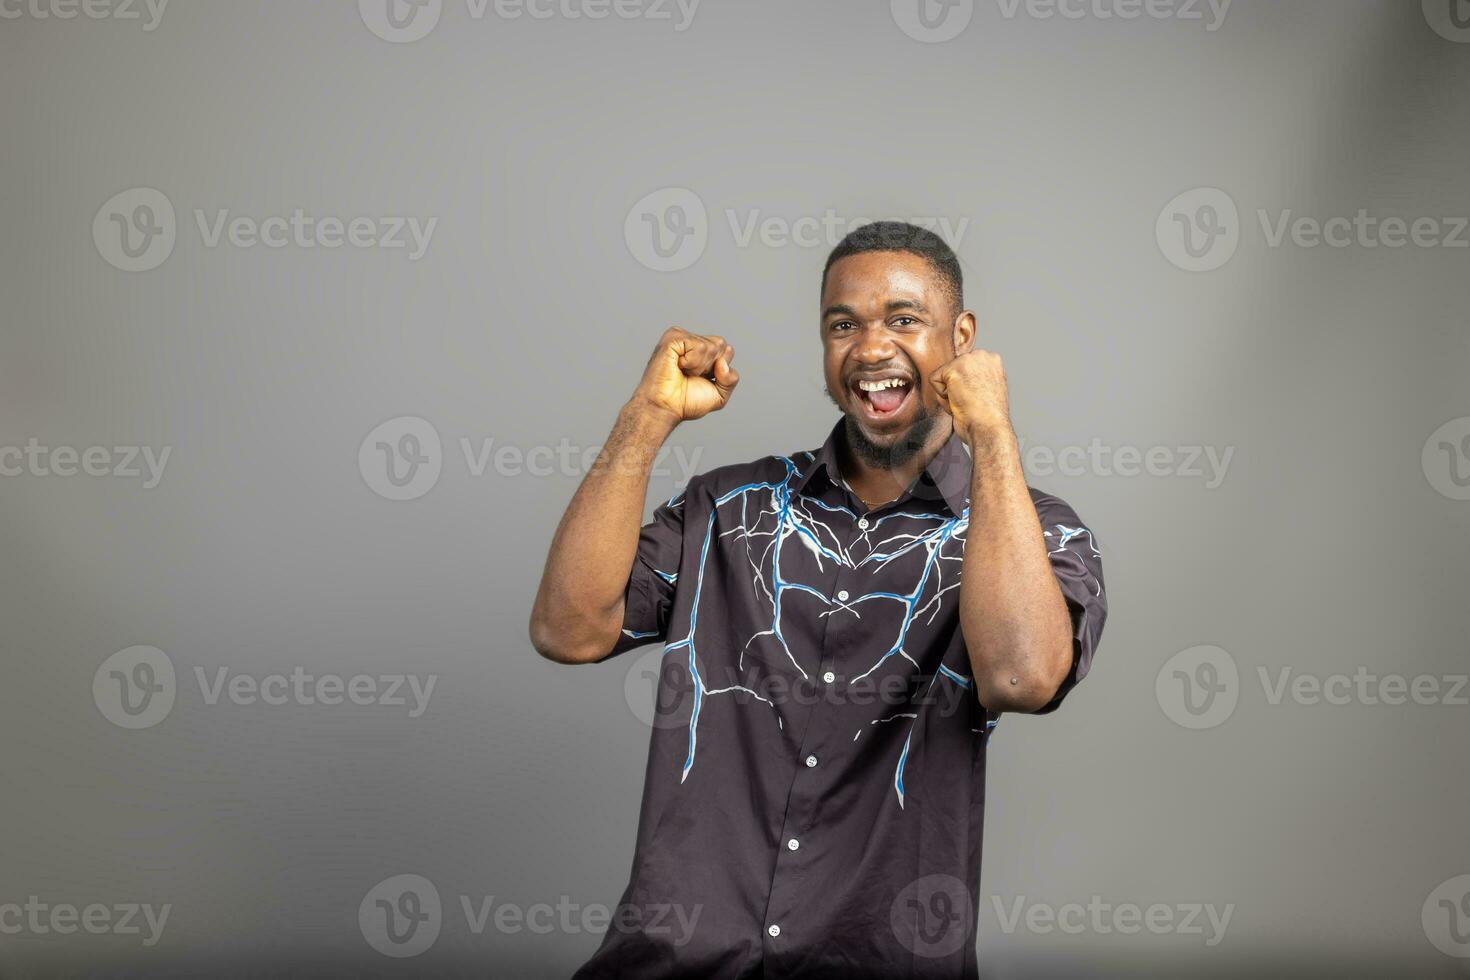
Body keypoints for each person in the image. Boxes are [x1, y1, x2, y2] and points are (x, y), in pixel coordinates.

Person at [529, 221, 1108, 979]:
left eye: (904, 319)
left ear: (963, 339)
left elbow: (1022, 677)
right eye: (844, 325)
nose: (870, 348)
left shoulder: (1036, 534)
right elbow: (567, 630)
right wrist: (647, 419)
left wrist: (992, 433)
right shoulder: (730, 508)